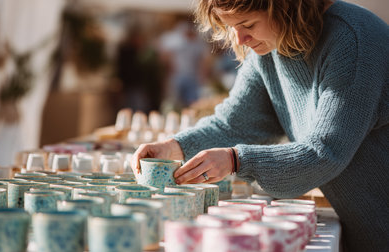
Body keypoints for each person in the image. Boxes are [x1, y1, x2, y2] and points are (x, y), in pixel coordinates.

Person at [132, 0, 389, 251]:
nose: (239, 38)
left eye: (248, 24)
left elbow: (325, 152)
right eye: (230, 26)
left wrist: (237, 160)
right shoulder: (269, 46)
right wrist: (174, 147)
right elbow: (234, 124)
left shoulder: (353, 40)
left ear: (285, 8)